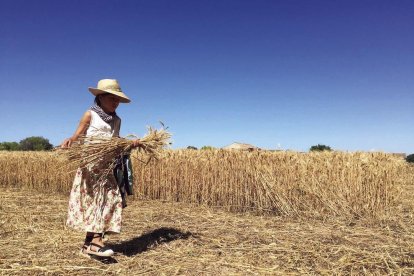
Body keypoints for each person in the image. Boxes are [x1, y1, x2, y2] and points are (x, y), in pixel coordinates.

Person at [61, 79, 140, 257]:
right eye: (112, 98)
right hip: (90, 168)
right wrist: (70, 141)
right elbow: (77, 136)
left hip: (107, 168)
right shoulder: (90, 115)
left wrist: (130, 144)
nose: (116, 102)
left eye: (117, 99)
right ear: (100, 97)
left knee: (111, 200)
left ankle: (88, 245)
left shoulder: (117, 120)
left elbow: (115, 143)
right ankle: (97, 242)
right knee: (95, 202)